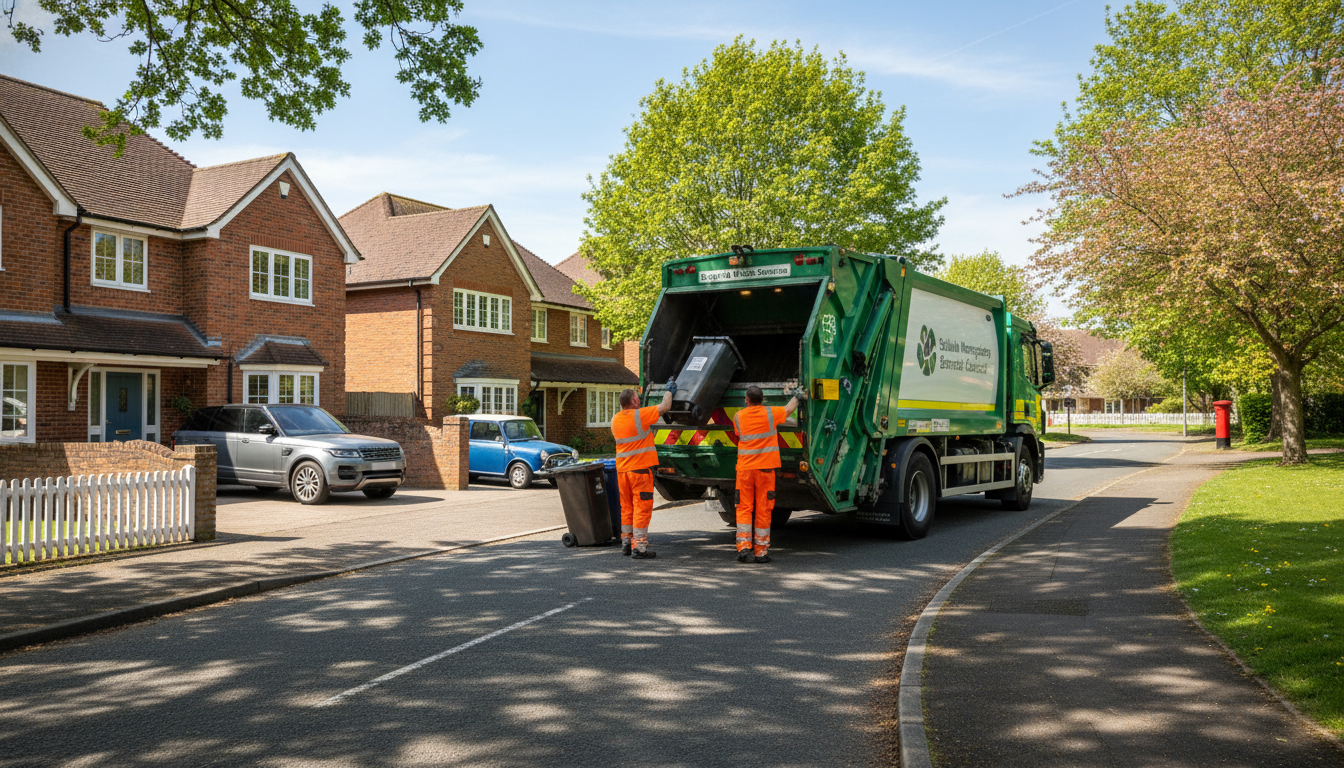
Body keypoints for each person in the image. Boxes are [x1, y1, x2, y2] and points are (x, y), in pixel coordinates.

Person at [731, 385, 805, 563]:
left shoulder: (738, 417)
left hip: (745, 471)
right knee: (764, 509)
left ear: (746, 400)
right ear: (762, 400)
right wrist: (798, 395)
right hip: (765, 471)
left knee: (744, 508)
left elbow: (738, 434)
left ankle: (743, 548)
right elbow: (789, 409)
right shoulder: (771, 414)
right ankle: (761, 552)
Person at [611, 381, 675, 558]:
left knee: (627, 507)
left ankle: (626, 541)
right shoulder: (640, 415)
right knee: (641, 507)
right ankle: (639, 547)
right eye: (637, 398)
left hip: (622, 471)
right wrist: (668, 391)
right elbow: (665, 406)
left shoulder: (615, 419)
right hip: (639, 470)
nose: (639, 400)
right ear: (632, 402)